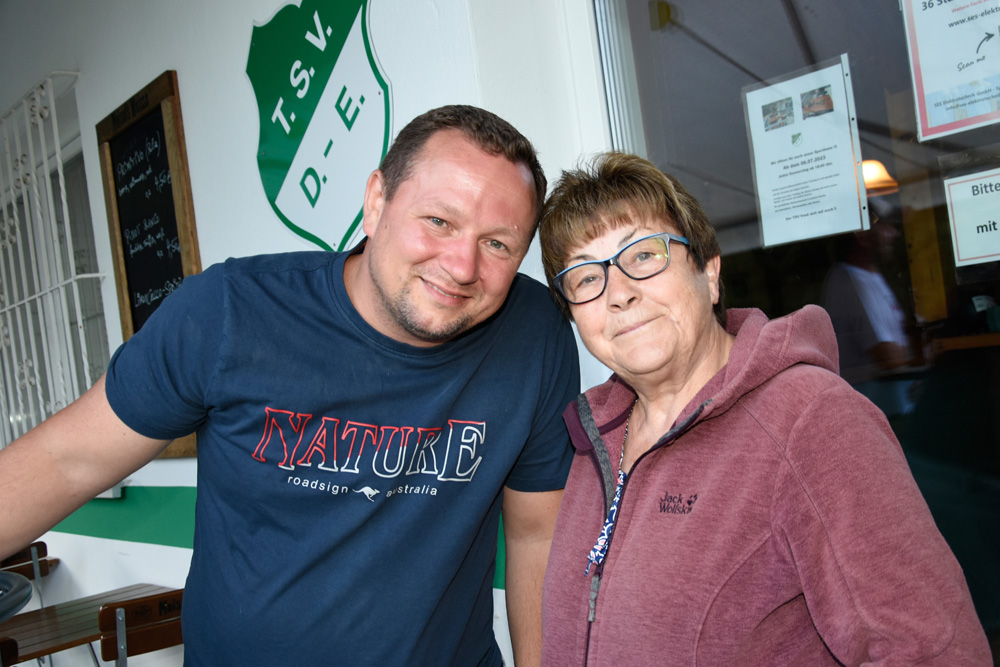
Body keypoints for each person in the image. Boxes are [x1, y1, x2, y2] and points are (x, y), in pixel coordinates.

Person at [0, 105, 580, 666]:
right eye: (439, 221)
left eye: (498, 243)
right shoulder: (229, 312)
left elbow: (538, 535)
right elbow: (65, 460)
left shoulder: (534, 334)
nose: (461, 265)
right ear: (377, 201)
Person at [537, 152, 991, 665]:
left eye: (643, 255)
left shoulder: (812, 420)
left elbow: (935, 652)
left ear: (708, 273)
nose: (618, 293)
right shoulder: (594, 441)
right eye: (584, 278)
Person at [822, 211, 916, 418]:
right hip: (882, 415)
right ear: (861, 234)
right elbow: (885, 355)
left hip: (898, 408)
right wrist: (924, 348)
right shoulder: (848, 282)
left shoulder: (871, 275)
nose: (894, 233)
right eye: (885, 226)